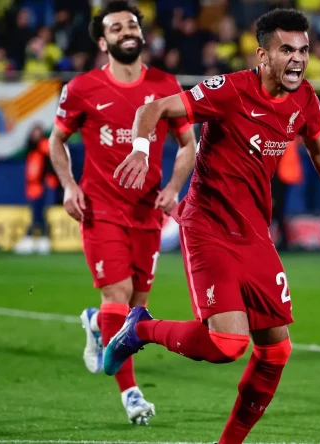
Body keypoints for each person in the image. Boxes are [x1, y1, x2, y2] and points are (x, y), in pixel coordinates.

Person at [107, 9, 320, 442]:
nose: (298, 59)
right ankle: (140, 327)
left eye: (304, 50)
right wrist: (141, 149)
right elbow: (154, 107)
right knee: (227, 345)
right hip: (209, 225)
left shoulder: (305, 99)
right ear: (262, 55)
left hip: (254, 232)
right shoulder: (230, 90)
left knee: (276, 351)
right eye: (286, 49)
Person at [48, 0, 197, 425]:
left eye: (131, 25)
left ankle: (97, 323)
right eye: (116, 28)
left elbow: (189, 144)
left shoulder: (166, 84)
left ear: (141, 33)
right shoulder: (81, 89)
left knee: (135, 307)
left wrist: (173, 187)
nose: (126, 31)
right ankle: (131, 393)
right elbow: (57, 140)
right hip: (101, 209)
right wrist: (69, 186)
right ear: (102, 41)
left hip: (148, 213)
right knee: (117, 297)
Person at [14, 123, 58, 255]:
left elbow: (52, 160)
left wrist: (50, 177)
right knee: (36, 212)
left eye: (37, 132)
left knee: (38, 213)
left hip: (41, 185)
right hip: (32, 186)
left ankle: (37, 239)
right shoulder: (31, 148)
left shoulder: (44, 145)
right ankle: (40, 240)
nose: (35, 135)